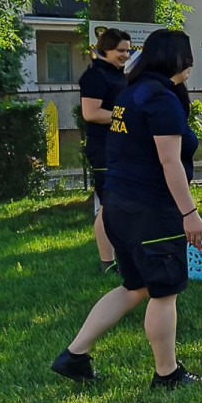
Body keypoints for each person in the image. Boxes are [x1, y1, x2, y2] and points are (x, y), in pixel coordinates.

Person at [52, 30, 202, 389]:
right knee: (165, 291)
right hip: (153, 209)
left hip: (118, 206)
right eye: (188, 56)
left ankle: (74, 355)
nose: (192, 65)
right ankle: (167, 374)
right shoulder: (160, 99)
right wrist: (189, 213)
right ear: (176, 58)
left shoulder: (131, 93)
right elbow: (170, 163)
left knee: (134, 287)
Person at [78, 27, 132, 273]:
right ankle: (107, 262)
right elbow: (91, 113)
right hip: (104, 149)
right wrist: (126, 116)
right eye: (120, 50)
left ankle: (121, 258)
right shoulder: (95, 76)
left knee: (121, 204)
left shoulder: (120, 75)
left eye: (128, 51)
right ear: (105, 49)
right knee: (110, 206)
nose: (125, 55)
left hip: (121, 148)